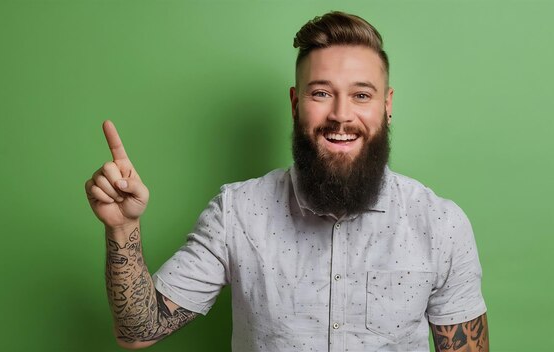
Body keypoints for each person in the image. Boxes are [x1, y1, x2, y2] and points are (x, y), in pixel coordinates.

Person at [85, 11, 489, 352]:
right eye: (321, 93)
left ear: (387, 106)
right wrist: (123, 228)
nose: (342, 115)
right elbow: (139, 331)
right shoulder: (236, 213)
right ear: (296, 105)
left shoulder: (440, 224)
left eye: (362, 95)